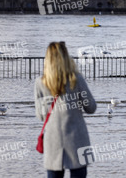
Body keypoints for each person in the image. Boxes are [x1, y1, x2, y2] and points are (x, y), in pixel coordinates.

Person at [35, 42, 97, 178]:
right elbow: (91, 108)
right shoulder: (76, 80)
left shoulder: (40, 83)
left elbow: (40, 116)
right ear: (66, 57)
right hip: (77, 141)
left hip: (53, 142)